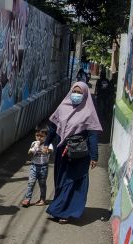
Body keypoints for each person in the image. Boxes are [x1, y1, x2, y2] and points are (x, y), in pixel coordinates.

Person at [42, 82, 102, 224]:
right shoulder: (63, 107)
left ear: (85, 94)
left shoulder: (88, 112)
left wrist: (94, 156)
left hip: (79, 153)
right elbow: (53, 127)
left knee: (73, 181)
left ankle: (66, 212)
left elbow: (93, 136)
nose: (76, 95)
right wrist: (46, 143)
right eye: (74, 91)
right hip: (62, 151)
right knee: (61, 180)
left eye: (80, 93)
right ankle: (59, 209)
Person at [21, 122, 53, 207]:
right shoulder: (34, 143)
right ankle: (27, 199)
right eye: (37, 135)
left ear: (47, 136)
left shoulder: (48, 144)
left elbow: (50, 150)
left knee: (42, 184)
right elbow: (29, 152)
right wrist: (32, 150)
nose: (39, 138)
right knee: (31, 183)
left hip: (43, 167)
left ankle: (42, 199)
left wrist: (45, 150)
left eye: (42, 136)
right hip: (34, 166)